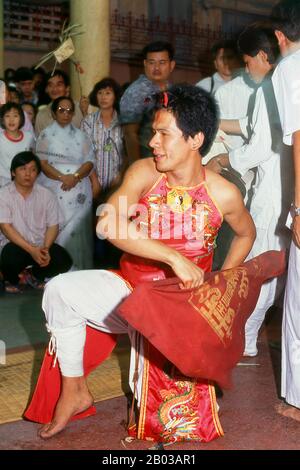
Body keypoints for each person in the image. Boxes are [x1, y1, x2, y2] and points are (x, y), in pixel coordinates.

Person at [28, 84, 255, 440]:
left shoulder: (223, 193)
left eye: (165, 134)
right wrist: (172, 256)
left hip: (181, 306)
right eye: (154, 133)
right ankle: (74, 390)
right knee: (59, 290)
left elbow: (246, 234)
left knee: (164, 420)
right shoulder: (145, 174)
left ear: (196, 139)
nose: (153, 142)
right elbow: (108, 223)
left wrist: (220, 283)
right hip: (131, 293)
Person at [206, 23, 292, 357]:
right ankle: (248, 335)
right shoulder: (281, 83)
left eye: (247, 61)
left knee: (258, 268)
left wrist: (224, 158)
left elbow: (258, 147)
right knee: (275, 268)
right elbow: (249, 124)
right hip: (282, 189)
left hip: (272, 194)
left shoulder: (268, 87)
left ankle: (245, 338)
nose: (245, 69)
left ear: (260, 56)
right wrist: (214, 124)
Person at [271, 0, 300, 422]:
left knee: (298, 305)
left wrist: (298, 206)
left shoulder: (290, 67)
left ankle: (297, 400)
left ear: (279, 36)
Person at [36, 96, 95, 270]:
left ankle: (80, 268)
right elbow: (43, 163)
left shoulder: (81, 135)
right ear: (54, 113)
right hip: (55, 188)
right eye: (61, 110)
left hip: (79, 189)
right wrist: (63, 178)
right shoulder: (45, 135)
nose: (66, 114)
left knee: (78, 229)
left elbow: (90, 161)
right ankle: (58, 269)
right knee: (58, 229)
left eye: (69, 110)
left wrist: (75, 177)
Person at [0, 151, 72, 293]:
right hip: (16, 246)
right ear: (13, 173)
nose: (28, 174)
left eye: (33, 170)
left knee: (64, 259)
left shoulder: (47, 195)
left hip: (40, 246)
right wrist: (31, 250)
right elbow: (5, 227)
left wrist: (45, 249)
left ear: (38, 174)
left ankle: (33, 276)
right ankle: (12, 279)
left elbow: (53, 225)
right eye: (23, 169)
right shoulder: (3, 194)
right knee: (9, 255)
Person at [119, 41, 175, 162]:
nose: (156, 68)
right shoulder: (136, 92)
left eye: (162, 63)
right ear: (145, 64)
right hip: (147, 159)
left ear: (172, 65)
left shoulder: (172, 90)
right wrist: (137, 165)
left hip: (168, 159)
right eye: (151, 62)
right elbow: (130, 134)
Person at [80, 77, 125, 200]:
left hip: (118, 183)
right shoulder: (88, 122)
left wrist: (120, 177)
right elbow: (84, 154)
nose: (103, 97)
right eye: (99, 93)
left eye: (108, 93)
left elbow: (127, 153)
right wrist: (94, 181)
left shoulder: (124, 122)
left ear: (115, 96)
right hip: (92, 183)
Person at [34, 70, 84, 136]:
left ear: (67, 88)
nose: (54, 89)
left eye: (59, 84)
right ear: (46, 89)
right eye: (50, 85)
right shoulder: (42, 115)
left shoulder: (80, 108)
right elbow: (39, 142)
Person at [0, 102, 34, 188]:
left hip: (24, 182)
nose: (11, 120)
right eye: (7, 116)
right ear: (2, 120)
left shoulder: (29, 137)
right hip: (3, 183)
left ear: (21, 118)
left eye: (15, 116)